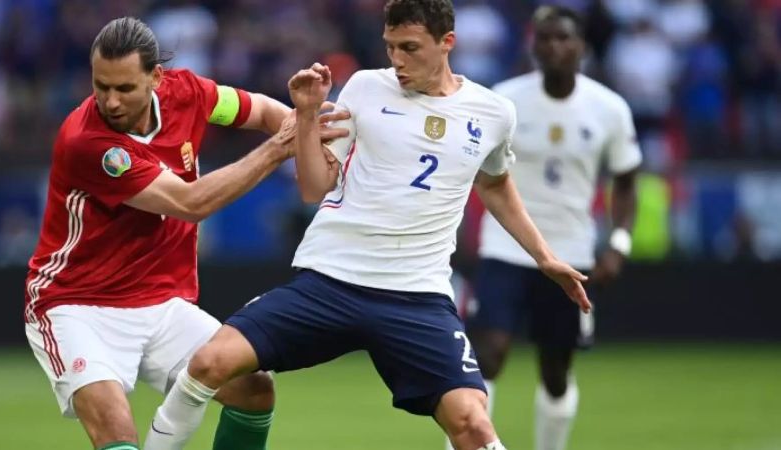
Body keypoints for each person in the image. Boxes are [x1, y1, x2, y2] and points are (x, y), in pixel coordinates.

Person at [144, 2, 591, 450]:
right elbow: (313, 188)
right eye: (391, 46)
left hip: (416, 297)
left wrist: (545, 257)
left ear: (447, 43)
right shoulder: (364, 87)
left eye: (410, 48)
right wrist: (305, 115)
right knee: (208, 363)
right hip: (330, 282)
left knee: (473, 426)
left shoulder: (494, 113)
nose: (397, 60)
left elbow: (495, 184)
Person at [23, 17, 348, 450]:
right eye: (101, 86)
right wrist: (278, 149)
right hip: (77, 304)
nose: (111, 101)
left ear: (156, 78)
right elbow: (191, 203)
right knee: (118, 435)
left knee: (253, 389)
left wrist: (310, 135)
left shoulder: (190, 92)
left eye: (124, 88)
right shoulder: (90, 143)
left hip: (159, 302)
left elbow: (265, 112)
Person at [458, 6, 641, 450]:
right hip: (506, 246)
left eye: (564, 39)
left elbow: (626, 181)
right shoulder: (503, 100)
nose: (555, 47)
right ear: (533, 47)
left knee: (555, 372)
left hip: (570, 254)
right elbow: (469, 167)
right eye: (545, 39)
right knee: (489, 355)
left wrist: (617, 244)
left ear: (582, 46)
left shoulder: (609, 109)